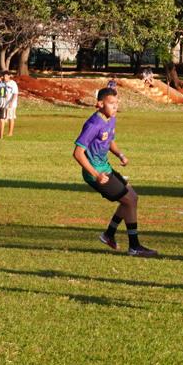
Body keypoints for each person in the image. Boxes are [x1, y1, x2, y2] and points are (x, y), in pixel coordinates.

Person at [74, 87, 158, 257]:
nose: (115, 107)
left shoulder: (111, 119)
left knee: (132, 197)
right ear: (99, 104)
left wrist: (120, 154)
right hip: (95, 173)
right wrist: (96, 175)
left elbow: (110, 140)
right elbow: (77, 153)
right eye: (111, 103)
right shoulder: (93, 124)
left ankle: (109, 235)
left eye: (116, 103)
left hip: (105, 168)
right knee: (128, 200)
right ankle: (134, 246)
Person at [4, 71, 19, 137]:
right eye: (4, 76)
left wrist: (11, 102)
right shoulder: (3, 83)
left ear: (9, 76)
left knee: (11, 117)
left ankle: (10, 133)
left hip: (11, 104)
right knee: (3, 117)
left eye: (6, 76)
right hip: (4, 103)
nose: (5, 77)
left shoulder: (13, 83)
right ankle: (0, 132)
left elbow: (15, 94)